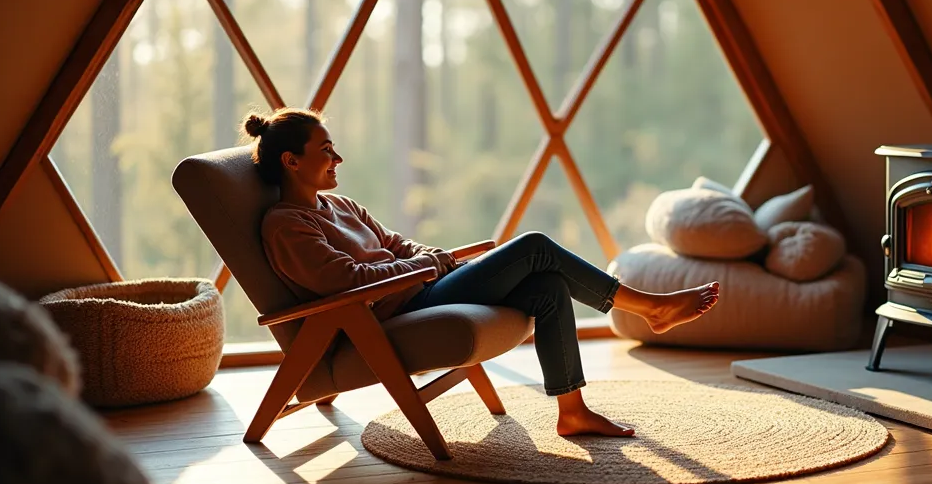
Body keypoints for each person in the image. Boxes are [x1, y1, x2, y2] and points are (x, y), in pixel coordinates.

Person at [244, 107, 720, 437]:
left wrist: (427, 258)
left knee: (548, 284)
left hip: (420, 290)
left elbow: (395, 244)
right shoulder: (286, 223)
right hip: (389, 314)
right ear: (291, 161)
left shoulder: (340, 205)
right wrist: (428, 265)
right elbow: (344, 282)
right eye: (326, 149)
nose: (337, 158)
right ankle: (650, 307)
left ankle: (572, 412)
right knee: (534, 246)